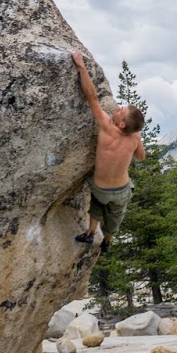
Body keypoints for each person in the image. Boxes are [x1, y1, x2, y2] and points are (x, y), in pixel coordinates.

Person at [71, 49, 146, 250]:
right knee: (116, 216)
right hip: (121, 189)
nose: (119, 108)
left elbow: (92, 97)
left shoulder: (107, 127)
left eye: (122, 111)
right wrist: (137, 139)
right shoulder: (134, 138)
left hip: (101, 188)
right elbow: (141, 157)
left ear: (121, 124)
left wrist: (81, 66)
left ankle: (90, 233)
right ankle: (107, 242)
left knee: (96, 206)